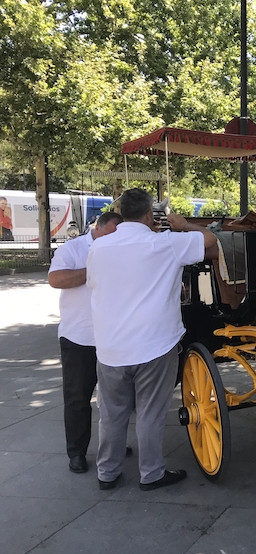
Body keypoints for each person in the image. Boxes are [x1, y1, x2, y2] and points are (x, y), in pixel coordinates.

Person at [86, 189, 218, 491]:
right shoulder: (165, 243)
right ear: (149, 215)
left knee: (111, 415)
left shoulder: (99, 247)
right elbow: (211, 241)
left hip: (110, 345)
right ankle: (151, 473)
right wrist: (182, 225)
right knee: (150, 413)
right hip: (154, 344)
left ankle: (107, 472)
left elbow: (95, 283)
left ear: (121, 212)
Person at [48, 211, 123, 473]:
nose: (115, 238)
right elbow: (56, 279)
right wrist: (94, 268)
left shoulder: (119, 251)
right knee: (78, 398)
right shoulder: (73, 249)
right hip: (79, 337)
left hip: (113, 336)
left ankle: (113, 445)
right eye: (111, 232)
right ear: (98, 226)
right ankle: (77, 452)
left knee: (115, 398)